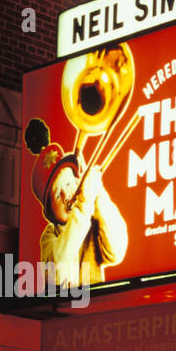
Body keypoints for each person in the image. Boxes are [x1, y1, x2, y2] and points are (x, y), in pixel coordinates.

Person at [24, 117, 128, 290]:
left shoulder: (94, 222)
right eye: (57, 194)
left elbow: (118, 251)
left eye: (68, 184)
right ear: (50, 211)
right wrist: (84, 207)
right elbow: (55, 273)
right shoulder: (50, 236)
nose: (66, 195)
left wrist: (98, 194)